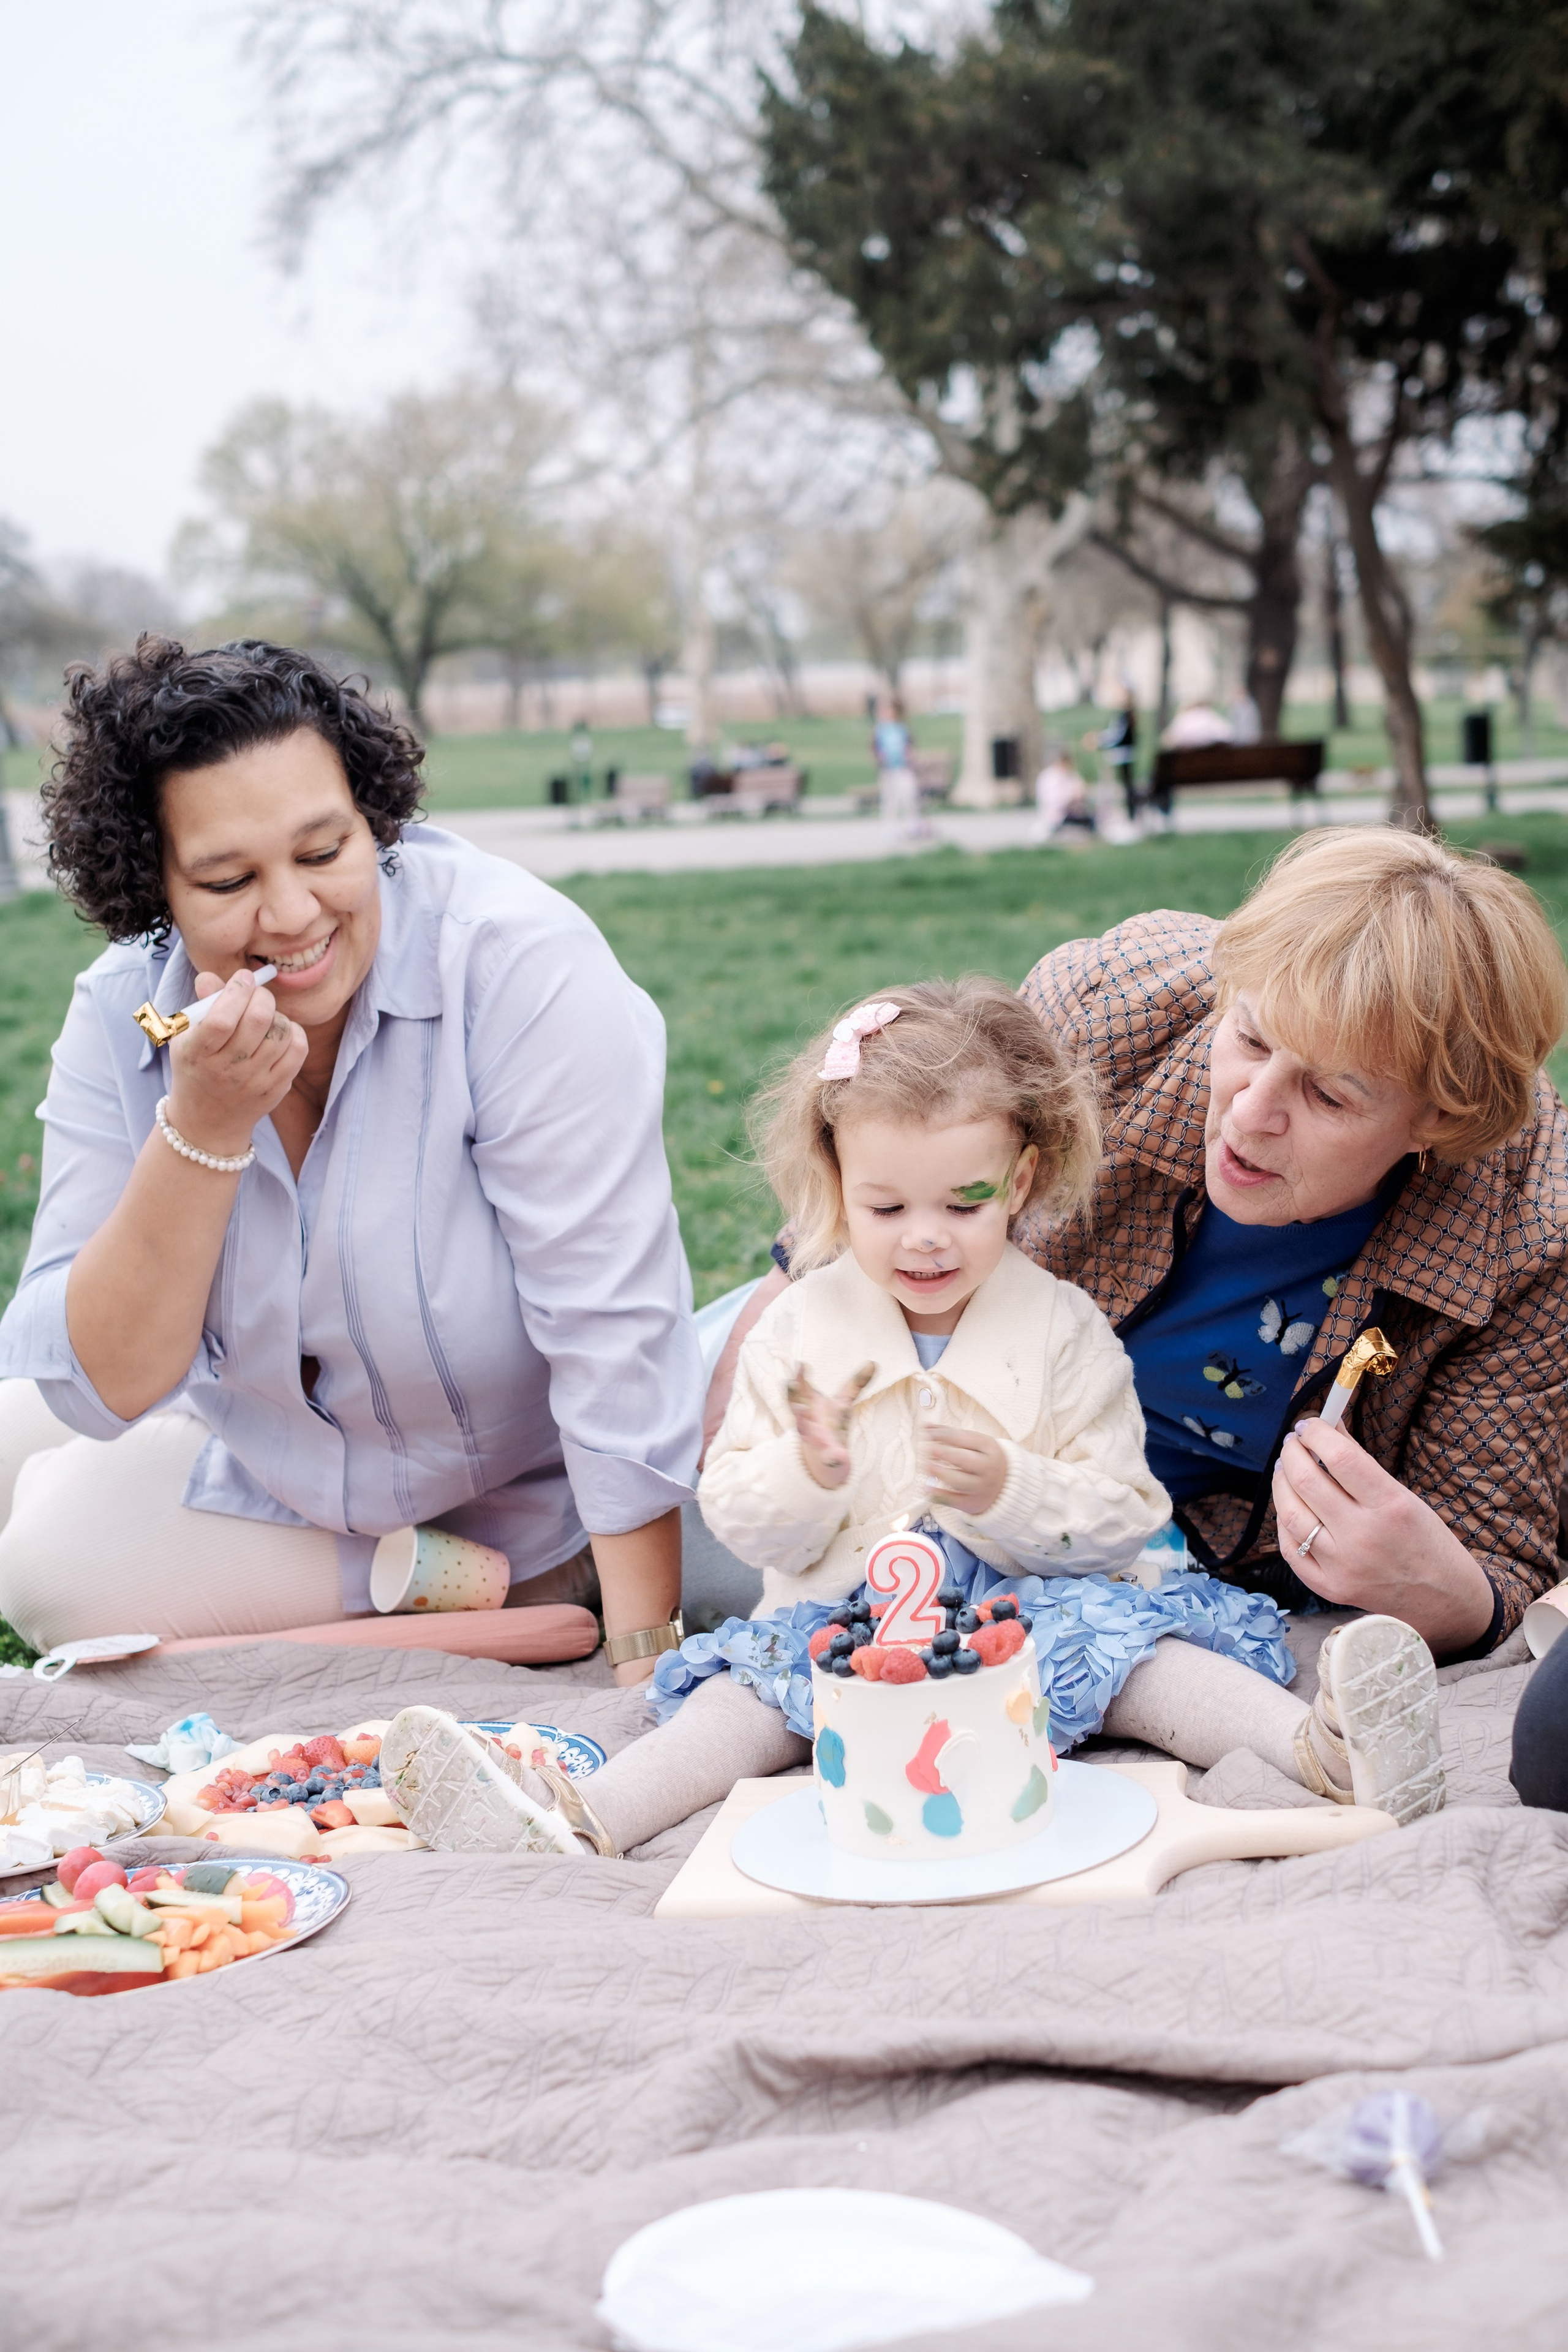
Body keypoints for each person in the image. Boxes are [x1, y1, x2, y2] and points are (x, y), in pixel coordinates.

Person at [374, 979, 1444, 1860]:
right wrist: (809, 1471)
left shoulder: (1064, 1329)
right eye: (887, 1209)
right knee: (741, 1705)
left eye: (965, 1203)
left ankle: (1324, 1752)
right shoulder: (803, 1332)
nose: (925, 1240)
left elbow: (1122, 1509)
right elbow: (743, 1517)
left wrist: (1010, 1492)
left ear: (1022, 1181)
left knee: (1148, 1660)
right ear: (839, 1188)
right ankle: (576, 1819)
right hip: (844, 1629)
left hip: (1044, 1612)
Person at [0, 638, 701, 1683]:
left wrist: (650, 1661)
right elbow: (101, 1384)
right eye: (229, 879)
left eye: (326, 853)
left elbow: (613, 1333)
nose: (290, 916)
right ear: (155, 891)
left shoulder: (519, 965)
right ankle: (424, 1602)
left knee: (47, 1558)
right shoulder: (123, 1008)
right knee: (20, 1419)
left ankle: (534, 1592)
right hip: (279, 1458)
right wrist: (204, 1127)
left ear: (377, 822)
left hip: (518, 1485)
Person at [717, 829, 1568, 1678]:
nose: (1250, 1112)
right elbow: (828, 1248)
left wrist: (1438, 1590)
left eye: (1329, 1095)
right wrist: (749, 1448)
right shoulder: (1116, 1002)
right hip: (914, 1420)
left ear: (1438, 1125)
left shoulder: (1532, 1225)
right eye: (1252, 1040)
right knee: (669, 1454)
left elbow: (1498, 1570)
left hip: (1125, 1535)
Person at [871, 697, 924, 839]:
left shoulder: (903, 729)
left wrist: (913, 761)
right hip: (888, 770)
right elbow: (875, 748)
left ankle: (914, 825)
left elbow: (909, 747)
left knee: (909, 796)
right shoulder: (880, 730)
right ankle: (890, 828)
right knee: (889, 800)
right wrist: (879, 758)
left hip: (904, 768)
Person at [1085, 690, 1139, 824]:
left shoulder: (1124, 717)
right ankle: (1128, 814)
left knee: (1115, 785)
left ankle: (1113, 815)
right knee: (1128, 785)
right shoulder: (1129, 716)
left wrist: (1098, 740)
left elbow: (1116, 736)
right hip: (1128, 754)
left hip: (1120, 756)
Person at [1031, 744, 1095, 842]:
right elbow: (1053, 802)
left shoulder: (1069, 776)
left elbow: (1081, 790)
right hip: (1057, 818)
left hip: (1070, 814)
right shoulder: (1050, 778)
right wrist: (1073, 797)